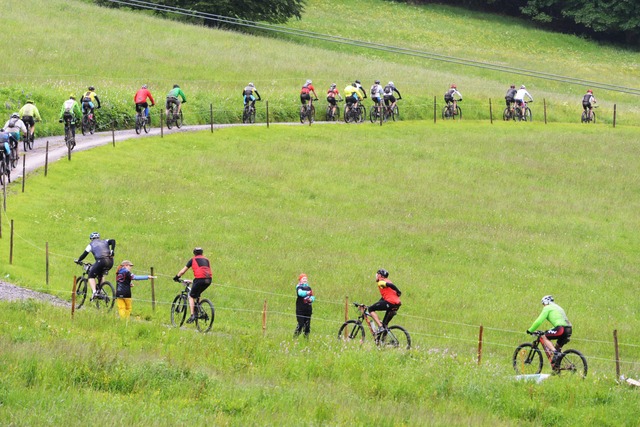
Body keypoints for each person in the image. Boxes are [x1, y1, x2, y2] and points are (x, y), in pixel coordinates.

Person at [527, 295, 572, 365]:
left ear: (546, 302)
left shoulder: (547, 308)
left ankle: (555, 353)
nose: (543, 306)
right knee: (557, 347)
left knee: (543, 336)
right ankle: (556, 367)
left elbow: (539, 321)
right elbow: (559, 322)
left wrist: (530, 330)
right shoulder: (558, 307)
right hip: (568, 329)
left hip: (561, 329)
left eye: (543, 304)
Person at [173, 247, 212, 324]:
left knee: (191, 296)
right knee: (197, 294)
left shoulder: (193, 260)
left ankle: (192, 315)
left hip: (199, 279)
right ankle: (199, 310)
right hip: (209, 280)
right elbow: (204, 271)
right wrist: (193, 281)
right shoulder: (206, 260)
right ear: (202, 253)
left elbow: (182, 271)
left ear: (194, 253)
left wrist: (177, 277)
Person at [75, 232, 116, 301]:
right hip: (110, 262)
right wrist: (112, 250)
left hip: (101, 261)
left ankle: (94, 292)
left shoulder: (91, 245)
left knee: (91, 276)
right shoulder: (104, 241)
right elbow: (113, 241)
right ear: (98, 237)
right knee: (101, 274)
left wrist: (78, 260)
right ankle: (100, 290)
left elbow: (84, 255)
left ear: (91, 239)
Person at [368, 269, 402, 334]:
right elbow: (384, 297)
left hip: (390, 303)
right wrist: (377, 304)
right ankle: (383, 341)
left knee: (370, 309)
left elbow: (390, 285)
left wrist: (398, 291)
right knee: (385, 325)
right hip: (396, 305)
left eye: (377, 274)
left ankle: (380, 327)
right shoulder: (388, 280)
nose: (376, 276)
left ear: (380, 275)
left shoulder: (381, 282)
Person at [294, 273, 315, 338]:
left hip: (308, 309)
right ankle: (295, 337)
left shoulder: (309, 287)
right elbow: (300, 293)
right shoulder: (299, 287)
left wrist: (311, 299)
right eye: (303, 278)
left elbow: (313, 296)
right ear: (300, 280)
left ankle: (306, 339)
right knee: (301, 324)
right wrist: (307, 293)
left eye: (306, 278)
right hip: (300, 309)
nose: (305, 280)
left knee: (307, 325)